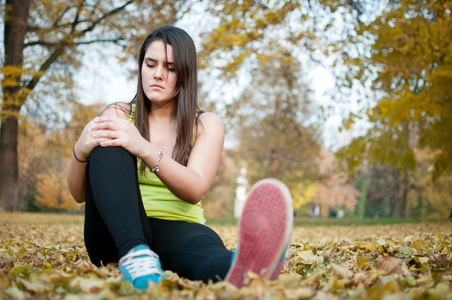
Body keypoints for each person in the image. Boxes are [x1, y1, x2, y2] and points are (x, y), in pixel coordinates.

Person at [67, 25, 293, 290]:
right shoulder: (119, 114)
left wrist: (143, 148)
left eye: (171, 68)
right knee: (111, 142)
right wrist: (80, 151)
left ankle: (254, 266)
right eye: (150, 64)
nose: (158, 75)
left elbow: (195, 189)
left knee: (215, 261)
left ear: (185, 74)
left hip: (180, 227)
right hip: (115, 236)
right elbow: (80, 194)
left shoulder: (206, 124)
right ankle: (136, 255)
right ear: (141, 67)